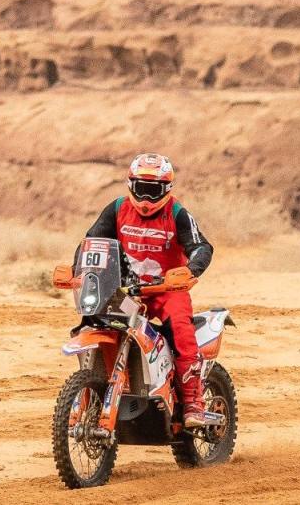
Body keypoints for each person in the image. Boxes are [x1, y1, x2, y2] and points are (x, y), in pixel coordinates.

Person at [83, 152, 218, 428]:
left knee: (181, 328)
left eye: (153, 190)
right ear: (131, 185)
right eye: (141, 188)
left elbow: (201, 247)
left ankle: (193, 401)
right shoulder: (117, 209)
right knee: (97, 320)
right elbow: (92, 242)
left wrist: (190, 270)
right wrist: (79, 270)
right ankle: (96, 388)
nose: (146, 198)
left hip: (168, 289)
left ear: (166, 189)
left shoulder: (178, 214)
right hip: (128, 290)